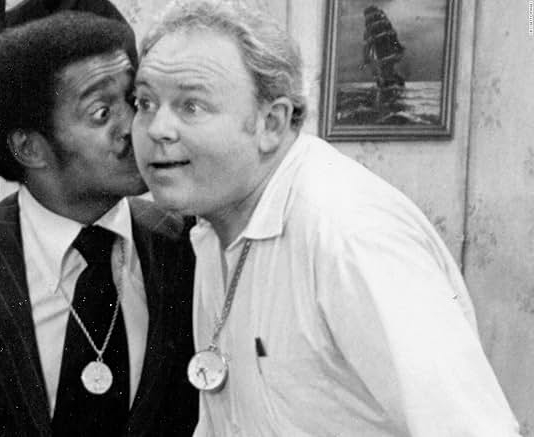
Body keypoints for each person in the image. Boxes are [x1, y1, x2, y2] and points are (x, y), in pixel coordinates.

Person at [131, 1, 521, 436]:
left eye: (192, 106)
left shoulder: (349, 232)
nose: (156, 128)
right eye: (144, 102)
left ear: (271, 123)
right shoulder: (212, 226)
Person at [0, 9, 197, 436]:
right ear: (30, 149)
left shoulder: (188, 244)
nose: (134, 128)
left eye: (134, 103)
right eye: (102, 113)